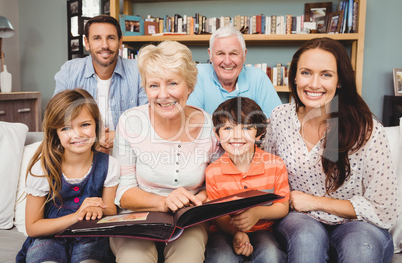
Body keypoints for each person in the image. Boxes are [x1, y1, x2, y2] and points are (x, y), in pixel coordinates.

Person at [263, 37, 398, 262]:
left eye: (326, 74)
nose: (314, 84)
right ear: (294, 76)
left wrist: (315, 201)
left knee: (360, 250)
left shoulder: (367, 129)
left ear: (340, 81)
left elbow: (384, 208)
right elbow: (268, 177)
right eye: (306, 72)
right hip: (301, 220)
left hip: (358, 225)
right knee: (306, 240)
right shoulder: (280, 117)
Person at [110, 40, 221, 263]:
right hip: (137, 217)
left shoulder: (211, 125)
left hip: (188, 220)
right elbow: (123, 192)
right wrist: (164, 202)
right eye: (153, 85)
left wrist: (200, 198)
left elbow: (218, 182)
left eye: (172, 83)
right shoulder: (131, 122)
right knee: (134, 259)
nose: (163, 95)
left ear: (189, 85)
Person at [17, 88, 120, 263]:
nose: (77, 134)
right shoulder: (43, 169)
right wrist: (77, 215)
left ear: (96, 124)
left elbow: (111, 210)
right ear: (55, 132)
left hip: (90, 238)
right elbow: (33, 227)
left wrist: (98, 209)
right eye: (66, 128)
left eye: (85, 125)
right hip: (48, 239)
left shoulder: (109, 165)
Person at [205, 97, 289, 263]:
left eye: (246, 128)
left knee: (271, 255)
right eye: (228, 128)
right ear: (217, 133)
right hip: (224, 231)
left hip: (262, 230)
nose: (236, 135)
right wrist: (236, 233)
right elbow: (218, 215)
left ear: (260, 133)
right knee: (220, 258)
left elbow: (282, 207)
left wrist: (258, 213)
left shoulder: (275, 165)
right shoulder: (213, 171)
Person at [54, 15, 148, 153]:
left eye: (111, 38)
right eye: (97, 38)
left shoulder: (139, 70)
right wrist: (91, 140)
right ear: (87, 42)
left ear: (120, 41)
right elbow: (57, 119)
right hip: (82, 152)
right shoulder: (69, 72)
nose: (105, 45)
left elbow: (151, 119)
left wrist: (119, 137)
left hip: (129, 152)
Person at [187, 26, 281, 118]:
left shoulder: (258, 77)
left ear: (244, 55)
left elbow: (276, 121)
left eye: (233, 53)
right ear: (210, 55)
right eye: (220, 53)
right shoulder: (198, 73)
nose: (227, 61)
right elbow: (192, 120)